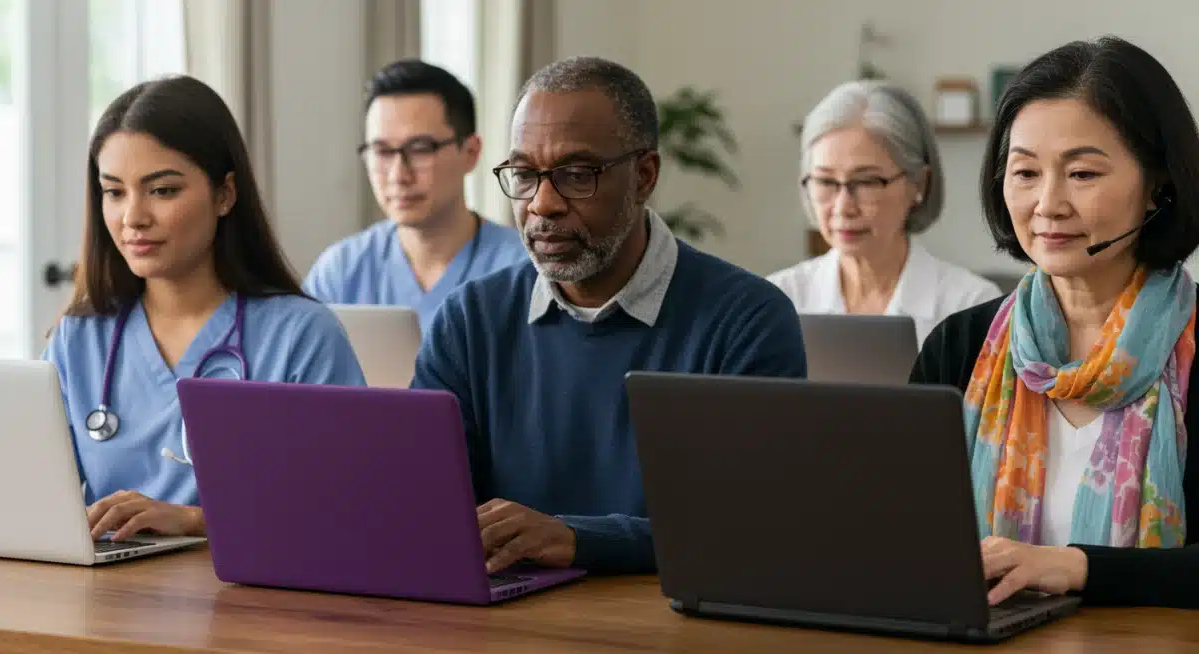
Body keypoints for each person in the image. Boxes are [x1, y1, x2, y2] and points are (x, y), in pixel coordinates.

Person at [410, 57, 808, 575]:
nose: (542, 204)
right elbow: (421, 507)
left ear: (644, 177)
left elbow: (756, 527)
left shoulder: (747, 320)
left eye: (577, 175)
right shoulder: (468, 322)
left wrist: (580, 539)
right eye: (525, 175)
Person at [910, 36, 1199, 609]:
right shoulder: (959, 346)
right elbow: (896, 526)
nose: (1047, 203)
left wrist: (1078, 568)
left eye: (1082, 174)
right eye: (1024, 173)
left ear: (1158, 188)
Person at [43, 75, 367, 543]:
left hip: (256, 603)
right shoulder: (78, 338)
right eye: (114, 192)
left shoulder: (301, 336)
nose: (133, 216)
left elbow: (351, 507)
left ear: (224, 194)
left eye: (162, 190)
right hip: (109, 602)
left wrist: (198, 521)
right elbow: (37, 500)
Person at [768, 80, 1001, 346]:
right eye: (825, 181)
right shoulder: (779, 299)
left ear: (919, 183)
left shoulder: (971, 306)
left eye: (867, 182)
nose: (844, 207)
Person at [303, 60, 527, 332]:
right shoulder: (341, 273)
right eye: (382, 151)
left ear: (471, 153)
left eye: (420, 149)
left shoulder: (523, 270)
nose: (399, 175)